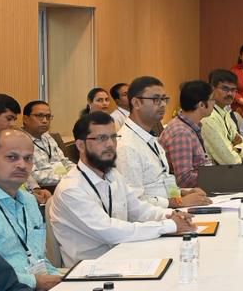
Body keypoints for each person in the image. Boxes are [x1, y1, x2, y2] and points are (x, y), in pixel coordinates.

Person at [48, 113, 198, 266]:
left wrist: (171, 215)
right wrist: (168, 226)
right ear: (80, 145)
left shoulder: (112, 175)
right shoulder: (71, 189)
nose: (110, 144)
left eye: (113, 137)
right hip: (91, 269)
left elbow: (138, 209)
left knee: (186, 258)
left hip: (123, 256)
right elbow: (109, 231)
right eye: (101, 138)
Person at [0, 129, 63, 291]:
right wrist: (34, 282)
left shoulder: (29, 201)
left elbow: (38, 257)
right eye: (12, 157)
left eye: (28, 158)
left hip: (40, 287)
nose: (22, 165)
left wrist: (58, 280)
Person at [115, 75, 209, 209]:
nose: (163, 104)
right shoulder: (127, 145)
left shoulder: (148, 136)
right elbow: (132, 203)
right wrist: (179, 202)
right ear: (136, 103)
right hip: (154, 218)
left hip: (168, 210)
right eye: (156, 100)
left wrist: (183, 193)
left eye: (164, 99)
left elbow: (160, 183)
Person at [159, 80, 215, 189]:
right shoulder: (181, 133)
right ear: (201, 105)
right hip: (188, 193)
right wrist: (217, 177)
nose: (214, 103)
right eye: (212, 99)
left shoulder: (189, 126)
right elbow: (184, 179)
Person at [203, 69, 243, 165]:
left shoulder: (225, 113)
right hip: (219, 172)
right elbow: (230, 161)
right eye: (225, 89)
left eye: (233, 90)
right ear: (212, 89)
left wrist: (235, 148)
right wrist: (236, 148)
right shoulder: (209, 117)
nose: (230, 93)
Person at [22, 100, 73, 189]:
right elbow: (32, 175)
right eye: (39, 116)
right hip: (45, 188)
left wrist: (78, 173)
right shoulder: (19, 141)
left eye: (48, 116)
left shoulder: (47, 137)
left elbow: (64, 161)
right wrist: (66, 179)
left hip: (64, 183)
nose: (45, 121)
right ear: (26, 119)